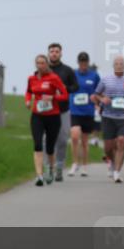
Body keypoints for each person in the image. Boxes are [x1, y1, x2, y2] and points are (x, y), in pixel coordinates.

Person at [92, 55, 124, 184]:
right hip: (108, 117)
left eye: (121, 63)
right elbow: (96, 94)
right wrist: (102, 99)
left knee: (121, 141)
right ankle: (112, 162)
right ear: (113, 66)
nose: (119, 65)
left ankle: (117, 173)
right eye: (116, 63)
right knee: (108, 148)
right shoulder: (106, 79)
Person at [26, 55, 69, 186]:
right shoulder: (31, 78)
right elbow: (28, 92)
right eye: (38, 63)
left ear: (47, 64)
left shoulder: (53, 78)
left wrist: (52, 98)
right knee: (38, 144)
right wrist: (28, 100)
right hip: (37, 115)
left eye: (43, 63)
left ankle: (50, 169)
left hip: (53, 116)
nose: (40, 66)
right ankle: (39, 175)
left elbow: (65, 95)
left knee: (50, 147)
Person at [46, 43, 79, 182]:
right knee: (46, 140)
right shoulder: (43, 70)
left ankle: (59, 166)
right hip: (46, 110)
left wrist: (65, 88)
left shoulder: (67, 70)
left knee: (62, 140)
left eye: (56, 51)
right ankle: (48, 168)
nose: (54, 53)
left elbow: (75, 87)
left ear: (61, 54)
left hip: (63, 110)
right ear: (48, 53)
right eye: (52, 51)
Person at [67, 51, 100, 177]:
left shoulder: (94, 76)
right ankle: (75, 163)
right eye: (81, 62)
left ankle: (84, 166)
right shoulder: (73, 74)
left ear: (88, 62)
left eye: (85, 62)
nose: (83, 64)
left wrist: (95, 98)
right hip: (75, 110)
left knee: (85, 141)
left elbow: (100, 91)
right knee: (75, 137)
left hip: (88, 111)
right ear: (78, 62)